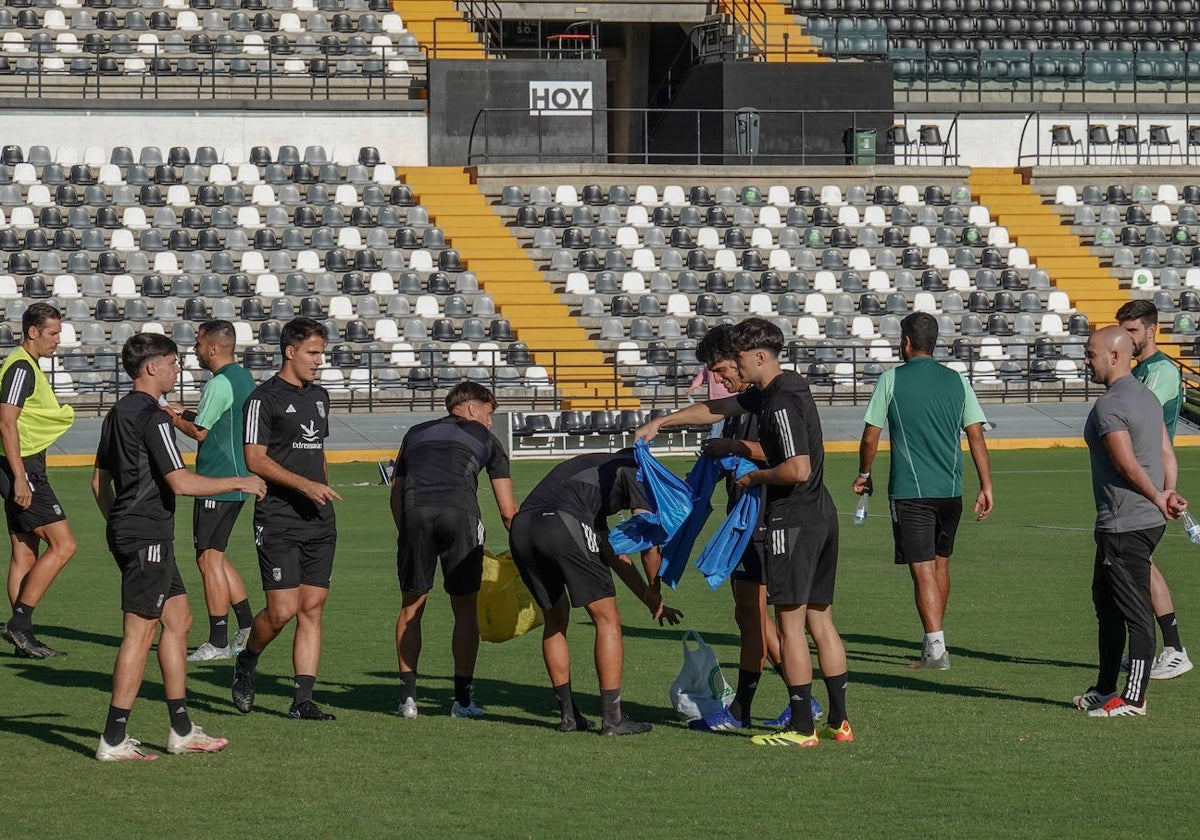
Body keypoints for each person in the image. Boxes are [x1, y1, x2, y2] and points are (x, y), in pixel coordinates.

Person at [638, 317, 853, 747]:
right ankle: (838, 722)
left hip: (790, 519)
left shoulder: (778, 404)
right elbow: (718, 409)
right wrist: (664, 422)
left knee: (787, 626)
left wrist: (753, 476)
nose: (729, 371)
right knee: (819, 620)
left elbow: (797, 467)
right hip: (819, 514)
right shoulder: (784, 389)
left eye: (733, 361)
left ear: (757, 357)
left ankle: (802, 727)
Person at [92, 333, 265, 761]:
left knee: (180, 619)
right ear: (152, 367)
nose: (178, 368)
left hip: (137, 532)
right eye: (172, 362)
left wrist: (120, 525)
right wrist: (239, 479)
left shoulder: (116, 413)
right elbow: (181, 482)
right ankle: (113, 739)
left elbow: (99, 484)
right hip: (147, 536)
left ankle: (182, 729)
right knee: (139, 632)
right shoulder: (154, 417)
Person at [853, 311, 993, 670]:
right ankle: (935, 639)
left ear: (906, 342)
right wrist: (986, 485)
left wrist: (864, 472)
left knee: (923, 571)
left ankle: (935, 650)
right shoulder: (957, 381)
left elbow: (871, 434)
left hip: (910, 492)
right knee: (940, 565)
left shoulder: (891, 380)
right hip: (951, 491)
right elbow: (976, 433)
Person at [508, 449, 682, 735]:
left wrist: (648, 598)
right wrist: (655, 588)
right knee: (607, 619)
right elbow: (649, 543)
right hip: (563, 523)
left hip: (523, 528)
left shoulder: (598, 471)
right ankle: (613, 719)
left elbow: (610, 552)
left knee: (555, 619)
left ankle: (568, 716)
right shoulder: (637, 470)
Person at [1073, 326, 1186, 718]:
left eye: (1090, 354)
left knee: (1135, 613)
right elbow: (1167, 452)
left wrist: (1158, 496)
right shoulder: (1146, 396)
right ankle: (1105, 688)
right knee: (1106, 606)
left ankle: (1133, 697)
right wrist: (1169, 492)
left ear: (1115, 357)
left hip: (1125, 525)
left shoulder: (1109, 407)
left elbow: (1126, 463)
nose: (1086, 361)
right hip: (1135, 521)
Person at [232, 318, 342, 721]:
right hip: (278, 517)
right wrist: (304, 485)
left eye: (321, 353)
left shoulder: (321, 396)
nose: (319, 361)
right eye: (313, 353)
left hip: (319, 519)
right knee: (281, 612)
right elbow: (255, 459)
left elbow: (319, 454)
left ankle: (302, 701)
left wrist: (320, 489)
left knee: (312, 608)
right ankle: (247, 661)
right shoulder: (263, 399)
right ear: (290, 351)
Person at [391, 381, 519, 719]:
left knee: (411, 608)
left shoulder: (415, 433)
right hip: (460, 515)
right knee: (464, 610)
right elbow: (508, 512)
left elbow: (396, 491)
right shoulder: (489, 440)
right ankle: (462, 701)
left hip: (415, 514)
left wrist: (407, 531)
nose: (491, 422)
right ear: (472, 408)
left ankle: (408, 699)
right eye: (489, 413)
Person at [167, 320, 258, 662]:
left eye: (198, 343)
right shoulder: (242, 376)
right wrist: (184, 412)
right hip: (235, 479)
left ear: (214, 347)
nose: (195, 349)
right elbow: (217, 420)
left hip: (217, 480)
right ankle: (247, 624)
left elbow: (201, 433)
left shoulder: (219, 383)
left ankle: (218, 640)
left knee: (207, 559)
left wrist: (173, 418)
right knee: (215, 555)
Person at [1116, 299, 1191, 679]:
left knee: (1136, 563)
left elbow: (1137, 415)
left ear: (1151, 330)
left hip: (1150, 478)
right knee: (1133, 564)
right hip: (1141, 478)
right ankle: (1155, 649)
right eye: (1123, 331)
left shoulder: (1160, 372)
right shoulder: (1143, 370)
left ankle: (1173, 649)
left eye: (1133, 331)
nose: (1127, 338)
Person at [0, 303, 77, 659]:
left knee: (24, 551)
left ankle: (22, 637)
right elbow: (6, 422)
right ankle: (19, 623)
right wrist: (19, 478)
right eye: (52, 333)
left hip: (20, 465)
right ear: (32, 332)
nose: (57, 341)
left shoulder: (25, 364)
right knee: (64, 546)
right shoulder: (20, 368)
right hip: (23, 468)